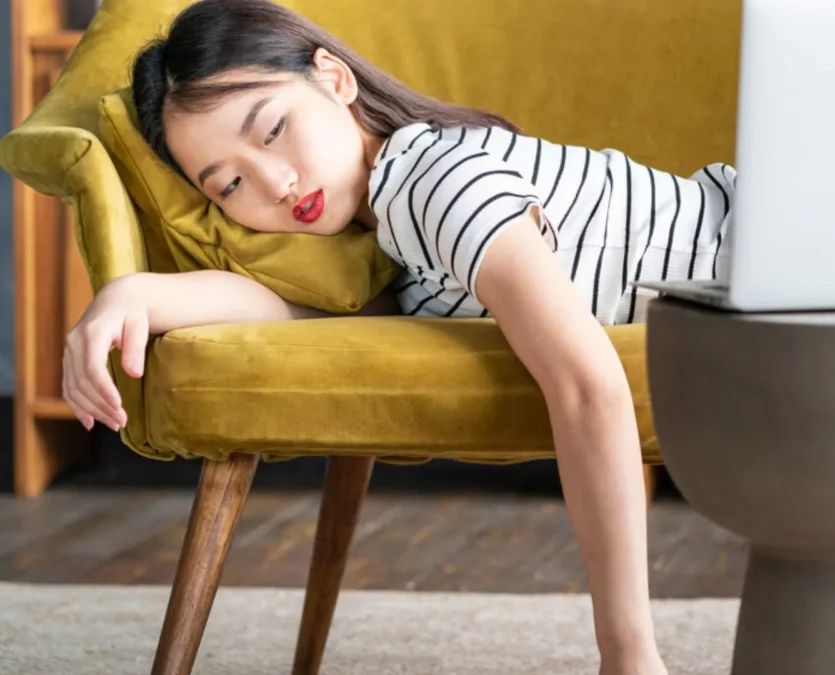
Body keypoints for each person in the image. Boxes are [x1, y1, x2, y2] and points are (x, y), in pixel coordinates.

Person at [62, 0, 736, 672]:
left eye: (271, 129)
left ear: (333, 78)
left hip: (767, 258)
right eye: (231, 183)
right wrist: (136, 293)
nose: (275, 182)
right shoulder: (389, 238)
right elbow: (302, 313)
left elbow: (587, 383)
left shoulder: (428, 184)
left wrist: (628, 654)